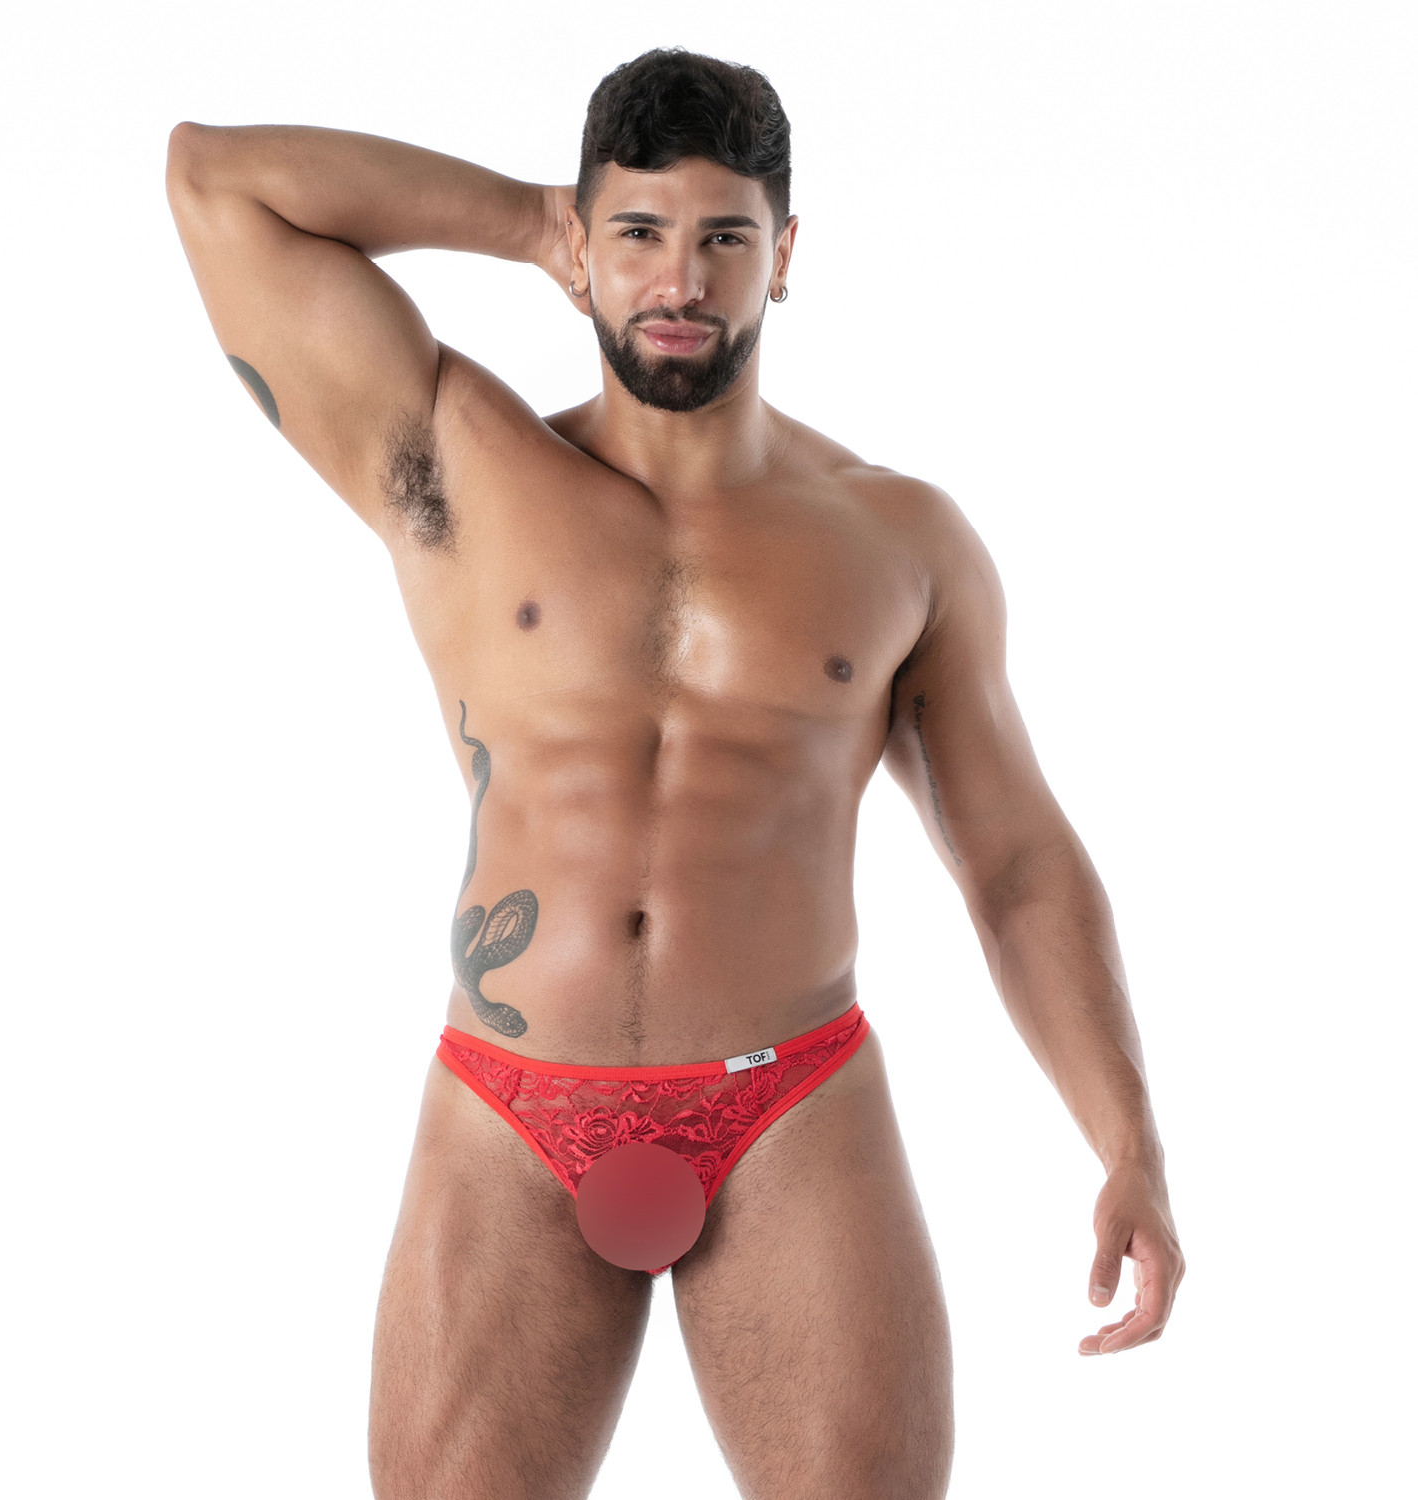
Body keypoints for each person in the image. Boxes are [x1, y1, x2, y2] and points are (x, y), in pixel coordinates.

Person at [166, 45, 1183, 1500]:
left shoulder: (900, 542)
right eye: (639, 232)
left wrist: (1127, 1138)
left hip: (791, 1107)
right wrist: (533, 222)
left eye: (726, 239)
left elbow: (1015, 862)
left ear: (787, 253)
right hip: (511, 1108)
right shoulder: (455, 463)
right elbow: (217, 180)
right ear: (584, 243)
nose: (682, 282)